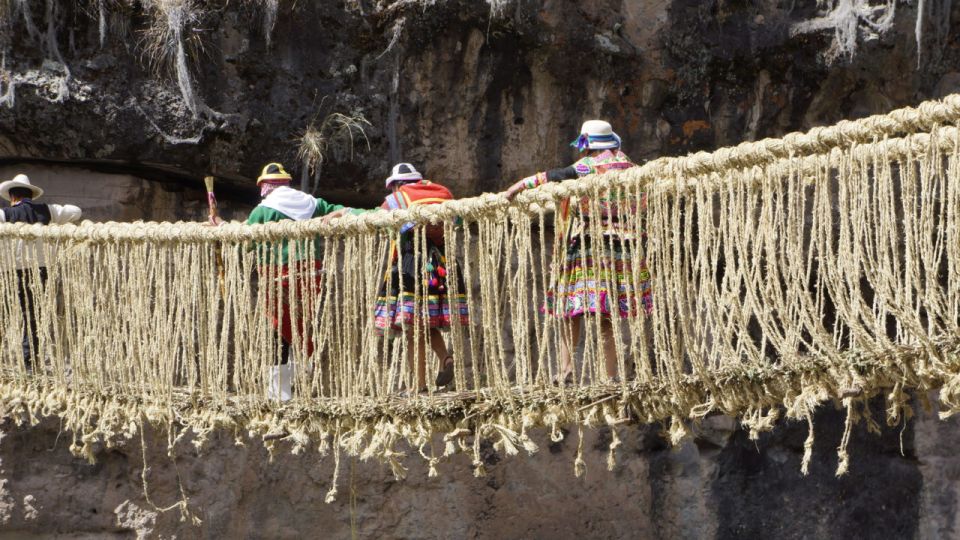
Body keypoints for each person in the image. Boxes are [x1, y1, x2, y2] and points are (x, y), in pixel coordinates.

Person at [504, 120, 652, 384]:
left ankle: (566, 371)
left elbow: (555, 175)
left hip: (590, 244)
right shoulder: (631, 167)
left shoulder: (590, 166)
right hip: (623, 247)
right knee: (607, 313)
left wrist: (519, 186)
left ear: (588, 146)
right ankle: (609, 376)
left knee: (568, 306)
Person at [325, 163, 468, 393]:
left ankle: (418, 386)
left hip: (413, 266)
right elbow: (459, 220)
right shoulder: (444, 194)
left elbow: (376, 218)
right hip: (443, 267)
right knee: (425, 320)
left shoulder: (400, 198)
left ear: (396, 185)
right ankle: (445, 358)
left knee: (412, 327)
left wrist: (347, 212)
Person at [241, 162, 358, 401]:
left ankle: (280, 392)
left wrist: (220, 230)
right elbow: (343, 210)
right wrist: (343, 213)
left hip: (277, 278)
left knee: (278, 329)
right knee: (303, 320)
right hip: (309, 276)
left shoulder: (263, 211)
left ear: (266, 186)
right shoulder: (312, 204)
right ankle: (305, 364)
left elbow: (245, 241)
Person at [0, 174, 82, 372]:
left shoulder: (6, 214)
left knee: (6, 314)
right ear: (31, 195)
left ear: (12, 197)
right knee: (33, 316)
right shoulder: (47, 210)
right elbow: (75, 211)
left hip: (12, 272)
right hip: (41, 271)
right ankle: (29, 364)